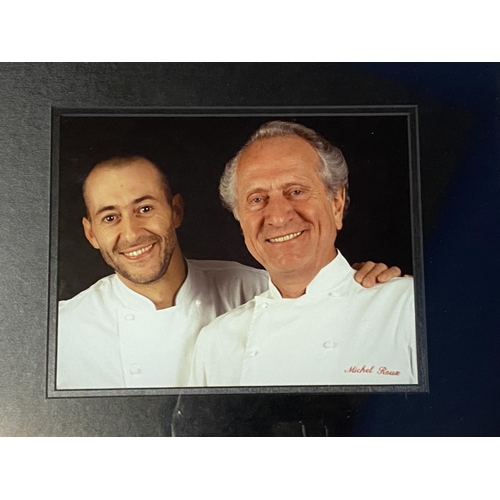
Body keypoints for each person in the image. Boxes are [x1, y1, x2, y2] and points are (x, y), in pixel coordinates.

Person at [56, 154, 404, 389]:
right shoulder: (61, 330)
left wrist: (360, 284)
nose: (131, 233)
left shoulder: (256, 286)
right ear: (90, 233)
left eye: (145, 208)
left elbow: (320, 295)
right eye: (110, 217)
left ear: (176, 211)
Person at [189, 121, 417, 387]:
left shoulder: (407, 307)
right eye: (256, 199)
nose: (277, 216)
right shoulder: (215, 342)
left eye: (296, 191)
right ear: (240, 220)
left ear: (336, 203)